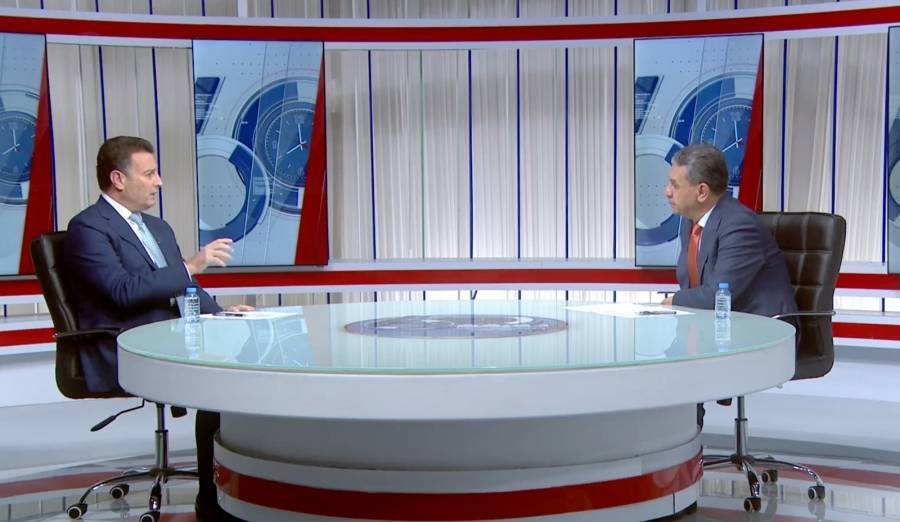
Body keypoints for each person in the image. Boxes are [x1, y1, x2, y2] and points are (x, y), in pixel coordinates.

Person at [64, 136, 250, 521]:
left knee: (238, 364)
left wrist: (221, 312)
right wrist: (190, 265)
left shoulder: (158, 228)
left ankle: (233, 487)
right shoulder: (88, 228)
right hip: (123, 346)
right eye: (149, 174)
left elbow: (183, 286)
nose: (159, 182)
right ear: (118, 179)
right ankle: (210, 501)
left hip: (170, 337)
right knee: (217, 386)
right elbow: (122, 292)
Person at [662, 143, 796, 317]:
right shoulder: (690, 222)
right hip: (717, 323)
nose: (667, 192)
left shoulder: (739, 225)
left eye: (675, 185)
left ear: (702, 192)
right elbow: (691, 286)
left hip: (761, 325)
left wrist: (673, 301)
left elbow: (717, 296)